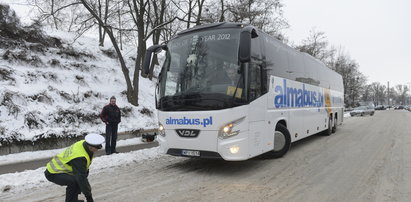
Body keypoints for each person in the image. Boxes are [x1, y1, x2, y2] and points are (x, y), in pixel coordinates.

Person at [44, 133, 105, 202]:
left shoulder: (83, 143)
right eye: (97, 148)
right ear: (90, 146)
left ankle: (73, 200)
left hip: (60, 169)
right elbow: (81, 177)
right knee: (74, 181)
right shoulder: (79, 157)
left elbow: (83, 173)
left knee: (78, 179)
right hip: (53, 172)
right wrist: (89, 197)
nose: (98, 149)